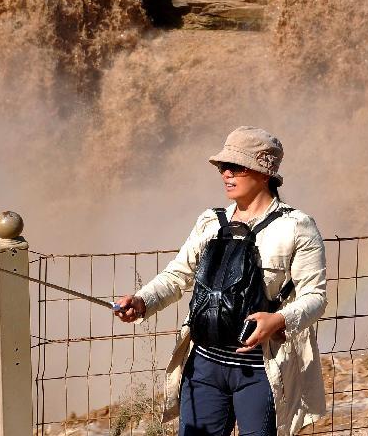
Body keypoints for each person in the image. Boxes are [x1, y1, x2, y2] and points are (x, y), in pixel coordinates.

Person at [114, 126, 327, 436]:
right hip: (203, 366)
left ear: (264, 172)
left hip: (259, 371)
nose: (227, 173)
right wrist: (142, 301)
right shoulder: (210, 221)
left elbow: (315, 297)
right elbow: (177, 275)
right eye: (223, 167)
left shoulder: (296, 227)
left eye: (237, 166)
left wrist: (279, 319)